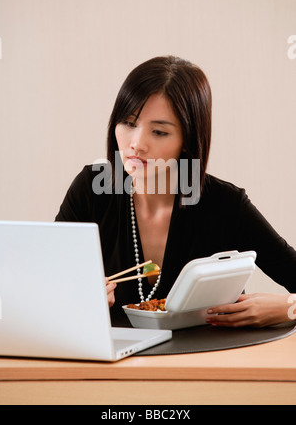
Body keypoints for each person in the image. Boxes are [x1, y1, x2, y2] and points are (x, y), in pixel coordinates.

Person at [55, 55, 296, 328]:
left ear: (187, 140)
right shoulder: (92, 189)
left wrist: (287, 307)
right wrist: (77, 299)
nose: (137, 144)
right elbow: (45, 287)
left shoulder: (225, 205)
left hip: (209, 364)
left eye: (159, 132)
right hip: (116, 365)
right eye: (129, 123)